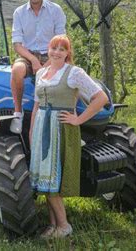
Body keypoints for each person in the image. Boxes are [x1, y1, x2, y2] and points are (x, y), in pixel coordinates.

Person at [29, 35, 108, 238]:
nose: (56, 52)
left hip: (61, 130)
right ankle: (53, 224)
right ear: (48, 49)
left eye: (62, 49)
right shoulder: (41, 73)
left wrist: (79, 119)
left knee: (53, 177)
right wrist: (31, 131)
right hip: (41, 130)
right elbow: (37, 105)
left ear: (67, 53)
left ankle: (64, 226)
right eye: (53, 47)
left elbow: (101, 98)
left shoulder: (74, 73)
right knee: (45, 179)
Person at [10, 0, 67, 134]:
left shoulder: (55, 10)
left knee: (69, 78)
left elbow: (61, 40)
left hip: (53, 54)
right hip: (28, 55)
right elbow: (17, 44)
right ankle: (18, 112)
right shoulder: (19, 12)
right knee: (17, 70)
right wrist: (34, 61)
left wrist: (49, 63)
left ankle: (71, 122)